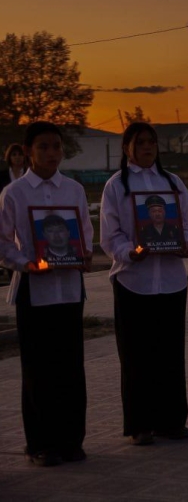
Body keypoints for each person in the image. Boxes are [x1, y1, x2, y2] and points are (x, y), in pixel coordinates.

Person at [0, 121, 93, 467]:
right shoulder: (15, 193)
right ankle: (40, 444)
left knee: (70, 368)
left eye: (56, 146)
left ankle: (71, 440)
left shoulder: (74, 190)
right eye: (44, 147)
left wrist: (84, 255)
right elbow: (4, 242)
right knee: (38, 371)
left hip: (69, 290)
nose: (52, 153)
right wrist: (26, 263)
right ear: (28, 151)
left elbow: (84, 231)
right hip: (34, 292)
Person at [100, 122, 188, 446]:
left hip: (170, 280)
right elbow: (110, 235)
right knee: (136, 355)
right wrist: (129, 252)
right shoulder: (116, 186)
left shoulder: (172, 182)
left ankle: (171, 421)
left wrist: (187, 242)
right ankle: (140, 424)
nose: (147, 147)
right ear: (127, 146)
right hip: (133, 280)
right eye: (140, 142)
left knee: (170, 353)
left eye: (151, 142)